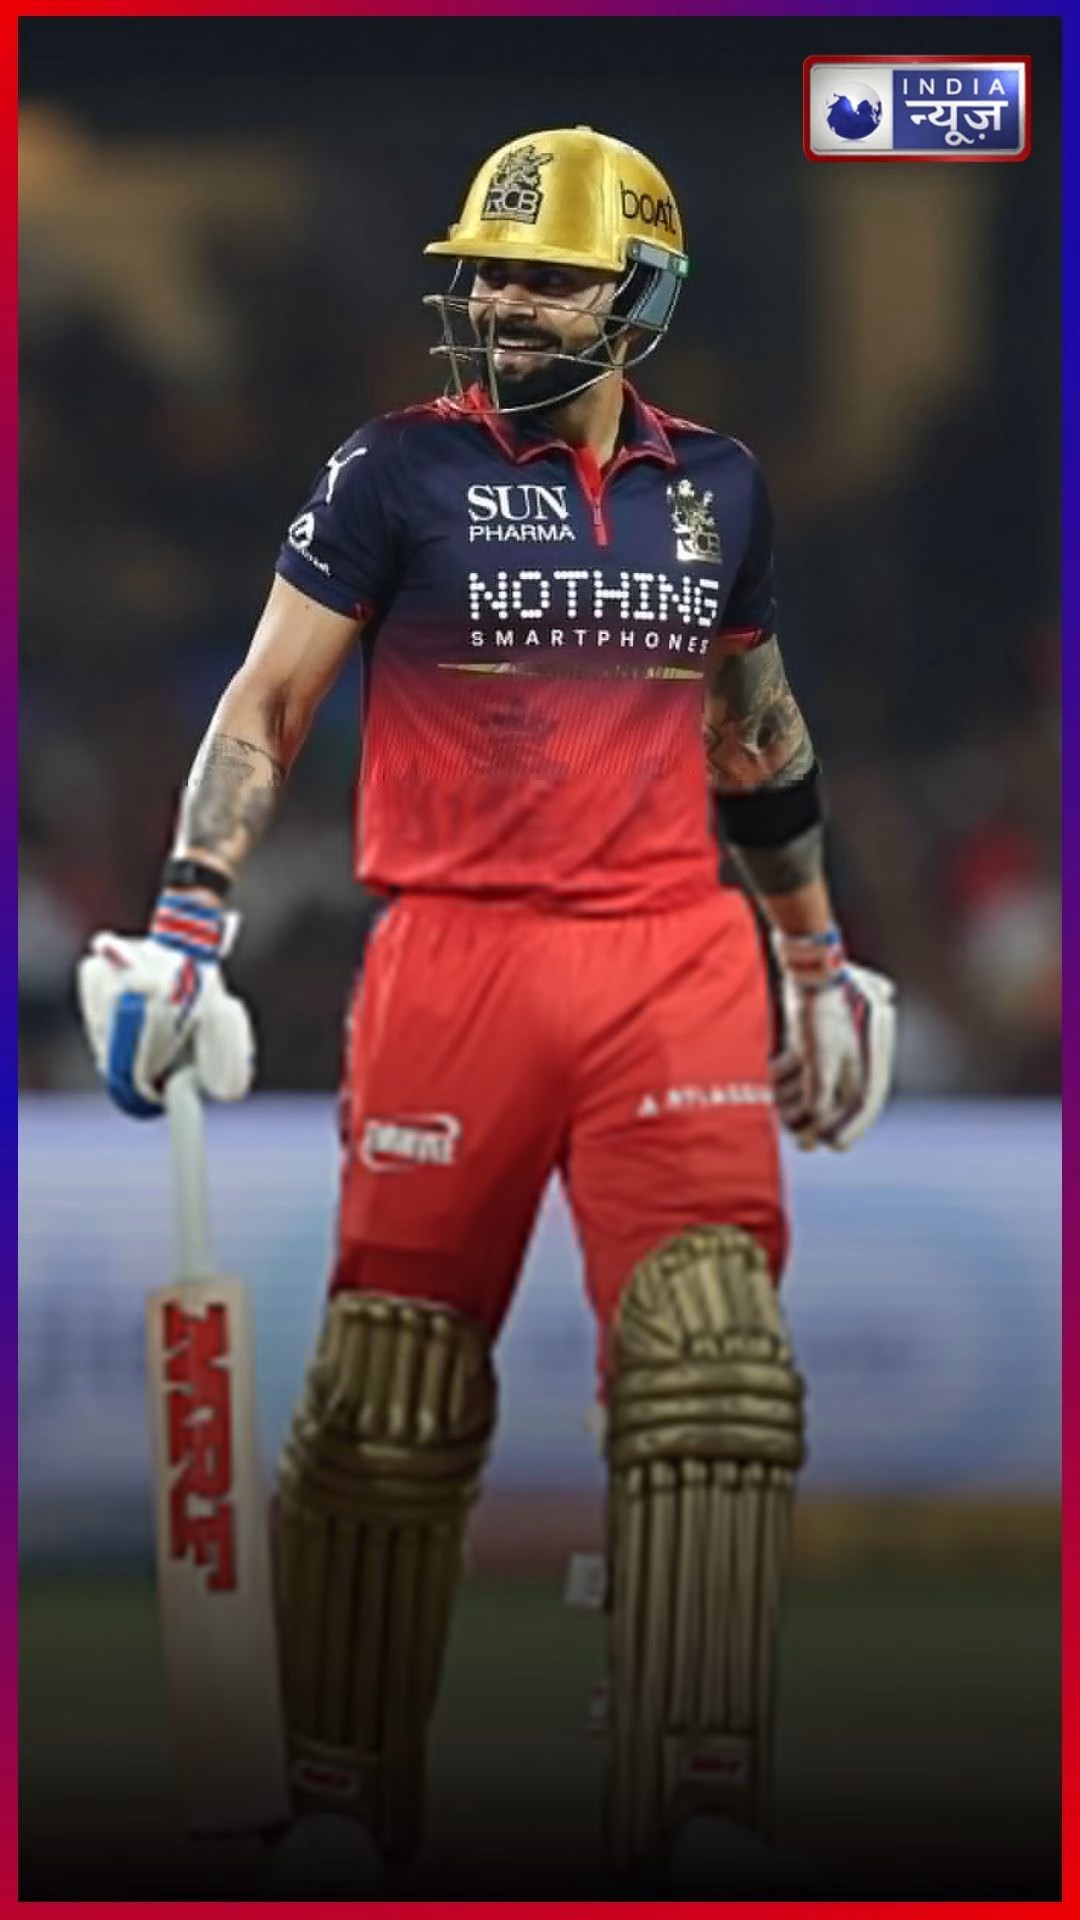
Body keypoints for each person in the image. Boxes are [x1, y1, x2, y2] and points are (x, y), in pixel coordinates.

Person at [77, 126, 896, 1886]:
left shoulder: (721, 488)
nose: (507, 303)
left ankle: (696, 1782)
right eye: (490, 272)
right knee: (389, 1398)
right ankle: (341, 1792)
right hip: (453, 959)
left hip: (671, 960)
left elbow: (755, 732)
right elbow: (265, 704)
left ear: (642, 297)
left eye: (549, 276)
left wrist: (815, 957)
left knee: (713, 1373)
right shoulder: (392, 470)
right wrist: (184, 920)